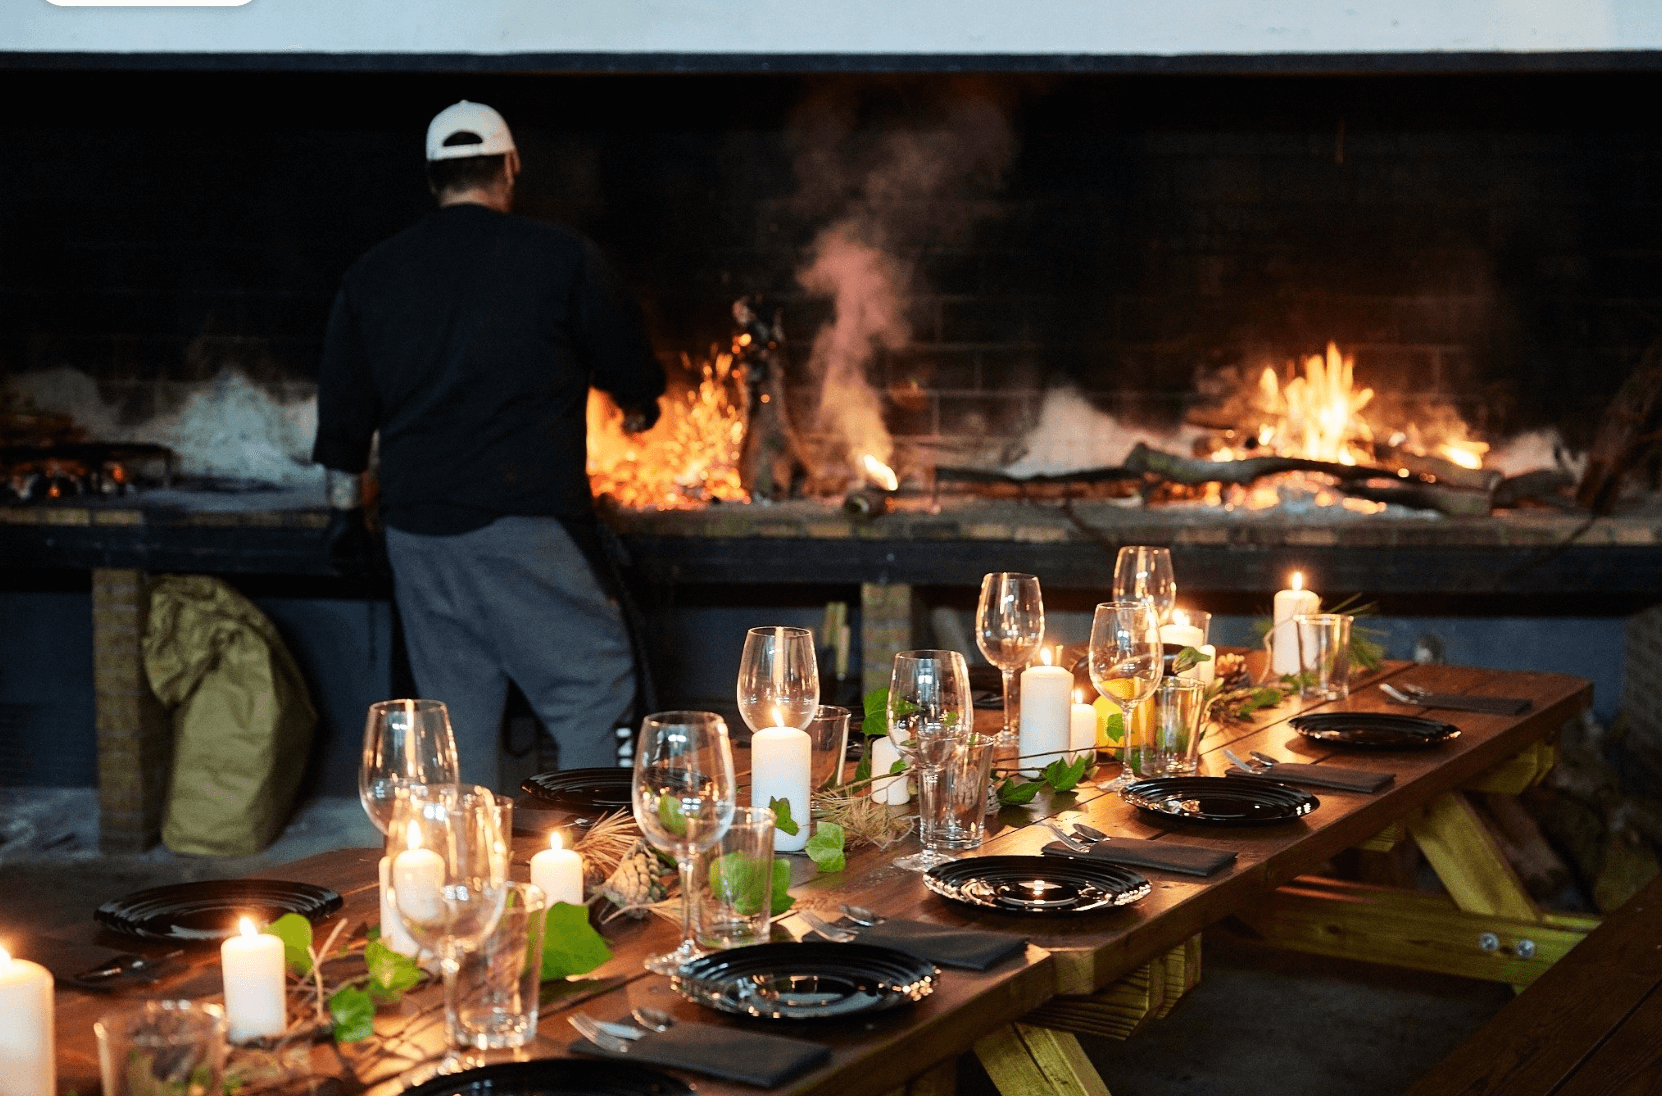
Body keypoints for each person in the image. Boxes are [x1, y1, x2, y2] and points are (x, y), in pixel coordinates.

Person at [313, 100, 665, 791]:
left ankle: (453, 887)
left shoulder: (374, 272)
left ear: (432, 177)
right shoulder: (560, 256)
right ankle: (610, 865)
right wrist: (639, 405)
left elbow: (344, 415)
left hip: (418, 535)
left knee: (453, 724)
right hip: (528, 524)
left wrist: (345, 515)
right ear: (509, 169)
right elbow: (630, 367)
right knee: (594, 691)